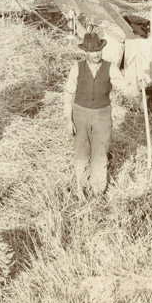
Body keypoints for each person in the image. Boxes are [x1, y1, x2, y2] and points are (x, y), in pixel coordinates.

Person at [63, 31, 135, 200]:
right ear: (85, 52)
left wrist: (138, 89)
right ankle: (82, 188)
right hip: (80, 114)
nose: (96, 55)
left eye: (99, 51)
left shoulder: (110, 67)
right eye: (92, 52)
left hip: (103, 114)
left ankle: (97, 191)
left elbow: (124, 87)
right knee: (82, 151)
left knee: (100, 152)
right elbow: (68, 93)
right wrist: (69, 120)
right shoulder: (77, 68)